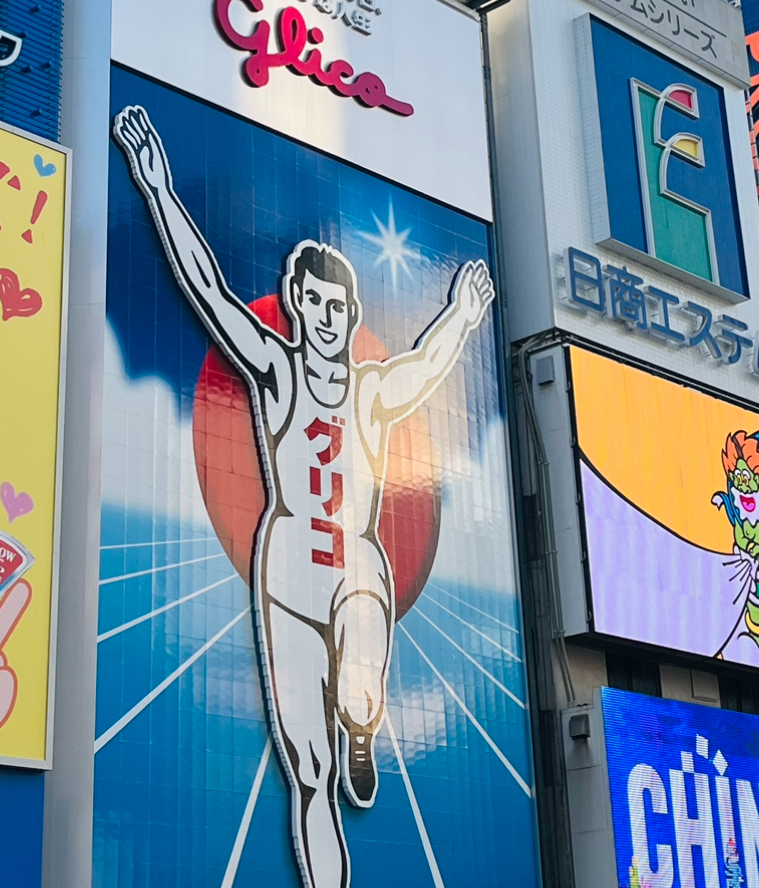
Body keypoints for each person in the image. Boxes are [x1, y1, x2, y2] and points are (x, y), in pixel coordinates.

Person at [113, 106, 495, 888]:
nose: (324, 317)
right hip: (285, 573)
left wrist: (461, 312)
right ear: (295, 304)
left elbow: (426, 365)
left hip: (354, 563)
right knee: (308, 772)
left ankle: (363, 717)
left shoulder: (372, 388)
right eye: (311, 304)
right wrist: (156, 188)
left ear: (351, 316)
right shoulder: (277, 372)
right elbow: (208, 289)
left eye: (336, 307)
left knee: (359, 642)